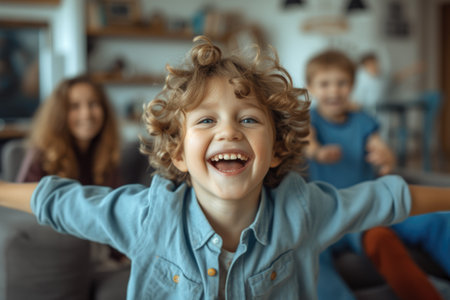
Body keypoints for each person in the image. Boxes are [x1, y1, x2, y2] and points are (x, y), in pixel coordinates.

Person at [1, 36, 450, 300]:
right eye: (206, 120)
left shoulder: (304, 210)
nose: (228, 131)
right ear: (179, 154)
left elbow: (392, 198)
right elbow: (55, 199)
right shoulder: (146, 216)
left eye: (249, 118)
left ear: (276, 149)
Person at [304, 49, 446, 300]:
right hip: (324, 216)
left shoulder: (363, 120)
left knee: (435, 222)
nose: (334, 91)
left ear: (352, 85)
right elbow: (308, 144)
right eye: (325, 84)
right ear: (311, 87)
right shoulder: (309, 120)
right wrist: (319, 153)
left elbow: (380, 147)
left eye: (341, 83)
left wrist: (385, 158)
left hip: (368, 210)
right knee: (307, 256)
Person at [16, 75, 128, 273]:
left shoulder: (107, 154)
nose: (86, 114)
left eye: (93, 104)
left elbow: (116, 215)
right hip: (55, 252)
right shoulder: (41, 154)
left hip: (98, 251)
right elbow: (24, 214)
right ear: (60, 114)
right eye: (75, 106)